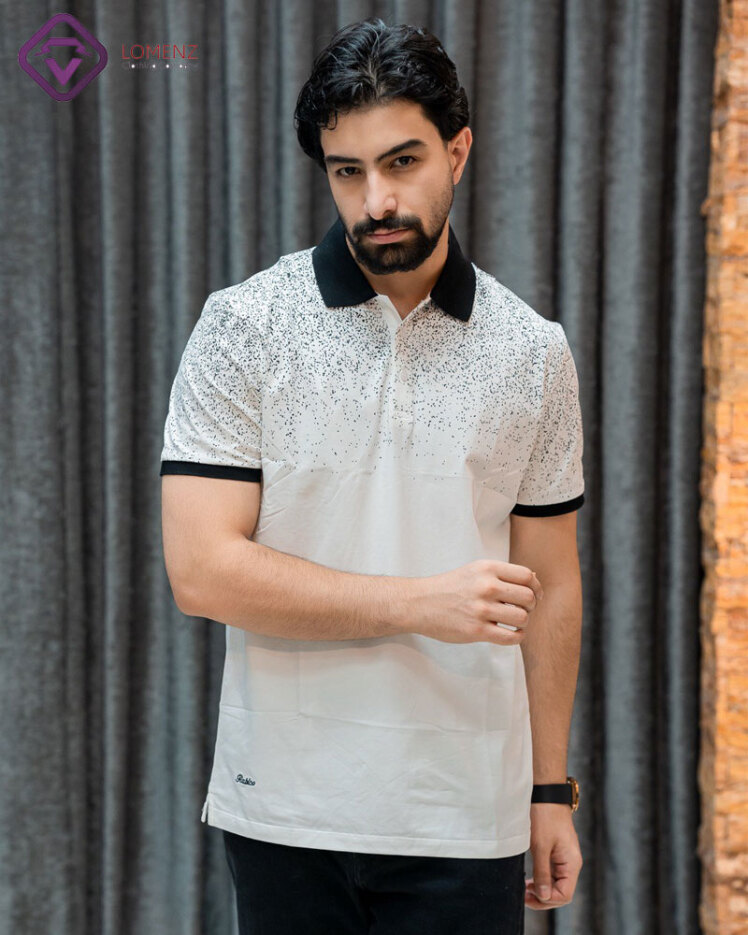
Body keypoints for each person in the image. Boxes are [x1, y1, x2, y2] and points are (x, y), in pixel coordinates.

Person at [160, 16, 585, 935]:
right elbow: (201, 571)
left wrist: (550, 786)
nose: (376, 199)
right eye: (347, 171)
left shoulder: (533, 351)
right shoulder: (244, 326)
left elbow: (552, 583)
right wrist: (421, 602)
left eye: (402, 162)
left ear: (457, 151)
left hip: (468, 808)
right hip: (284, 805)